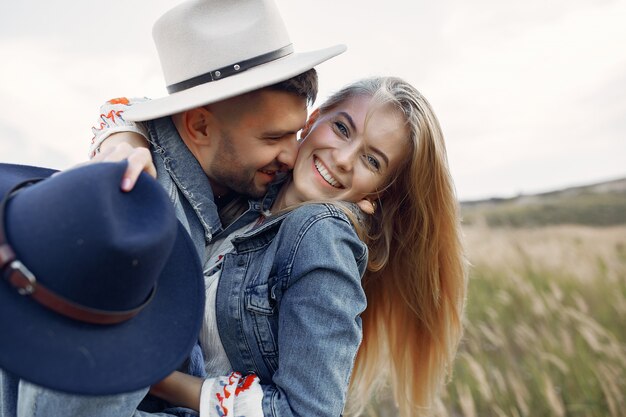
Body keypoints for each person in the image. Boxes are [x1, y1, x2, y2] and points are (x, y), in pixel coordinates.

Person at [22, 76, 466, 417]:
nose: (343, 157)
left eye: (372, 160)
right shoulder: (251, 199)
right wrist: (123, 142)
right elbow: (136, 111)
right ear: (311, 122)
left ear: (379, 195)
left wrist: (165, 383)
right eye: (343, 128)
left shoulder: (323, 236)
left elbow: (308, 412)